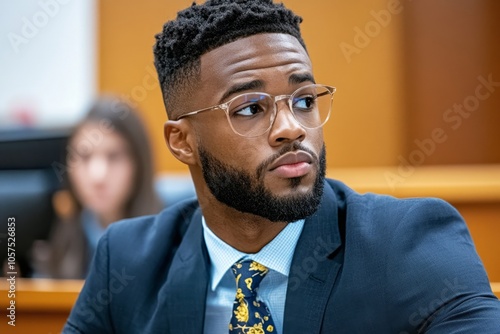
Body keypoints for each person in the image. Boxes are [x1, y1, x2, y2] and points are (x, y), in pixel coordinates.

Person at [64, 1, 500, 333]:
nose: (291, 129)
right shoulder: (127, 262)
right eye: (251, 108)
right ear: (182, 142)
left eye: (304, 100)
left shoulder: (410, 244)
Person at [32, 97, 162, 279]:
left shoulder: (171, 239)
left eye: (114, 156)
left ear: (139, 165)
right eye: (84, 157)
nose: (97, 176)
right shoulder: (60, 241)